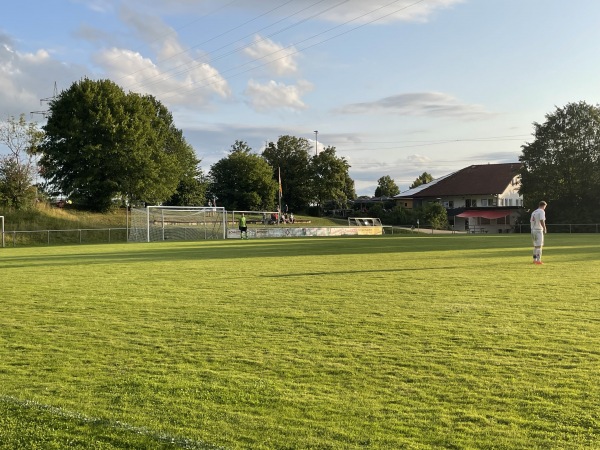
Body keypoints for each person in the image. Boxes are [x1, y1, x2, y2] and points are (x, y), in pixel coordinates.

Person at [530, 200, 547, 264]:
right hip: (538, 230)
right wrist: (544, 228)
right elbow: (542, 220)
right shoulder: (541, 211)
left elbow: (531, 221)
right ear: (544, 205)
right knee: (539, 246)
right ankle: (538, 260)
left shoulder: (534, 212)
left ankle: (534, 259)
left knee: (535, 246)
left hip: (533, 230)